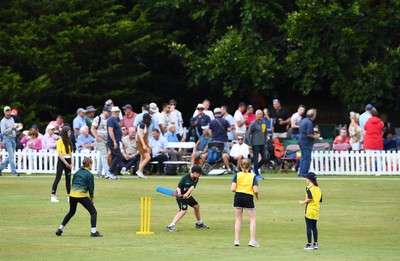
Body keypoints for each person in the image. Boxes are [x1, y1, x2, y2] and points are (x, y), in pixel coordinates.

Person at [55, 157, 103, 237]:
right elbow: (91, 189)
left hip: (72, 195)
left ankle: (60, 229)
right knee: (93, 212)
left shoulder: (77, 172)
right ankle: (93, 232)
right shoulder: (90, 175)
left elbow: (73, 182)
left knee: (71, 212)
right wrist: (92, 199)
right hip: (81, 196)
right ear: (89, 164)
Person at [166, 165, 209, 232]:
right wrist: (180, 193)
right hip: (180, 196)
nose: (200, 175)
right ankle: (170, 226)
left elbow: (192, 187)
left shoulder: (196, 178)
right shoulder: (185, 177)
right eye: (199, 174)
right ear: (195, 173)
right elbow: (179, 187)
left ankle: (199, 223)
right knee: (183, 211)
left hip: (187, 196)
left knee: (196, 207)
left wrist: (186, 194)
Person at [231, 158, 260, 247]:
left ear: (240, 166)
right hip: (248, 196)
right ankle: (252, 240)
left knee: (238, 219)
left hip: (238, 196)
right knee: (252, 219)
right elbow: (255, 190)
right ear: (250, 166)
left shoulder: (237, 175)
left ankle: (236, 240)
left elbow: (232, 189)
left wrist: (240, 188)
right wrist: (257, 196)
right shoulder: (253, 176)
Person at [298, 172, 322, 250]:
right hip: (316, 209)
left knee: (308, 227)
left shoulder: (308, 188)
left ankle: (309, 244)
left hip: (310, 209)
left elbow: (310, 198)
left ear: (309, 180)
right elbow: (320, 200)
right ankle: (315, 243)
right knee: (314, 227)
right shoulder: (318, 189)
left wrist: (302, 202)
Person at [51, 126, 74, 203]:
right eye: (69, 132)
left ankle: (69, 195)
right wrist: (66, 163)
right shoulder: (60, 141)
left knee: (68, 179)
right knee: (58, 177)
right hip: (62, 160)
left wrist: (71, 163)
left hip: (68, 159)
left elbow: (71, 153)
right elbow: (59, 153)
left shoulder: (69, 141)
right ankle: (53, 195)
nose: (70, 133)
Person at [245, 110, 268, 180]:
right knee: (255, 159)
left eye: (261, 114)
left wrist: (266, 140)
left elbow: (265, 132)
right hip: (255, 144)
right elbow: (248, 133)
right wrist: (249, 144)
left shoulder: (263, 122)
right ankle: (257, 174)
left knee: (265, 158)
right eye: (258, 114)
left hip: (263, 143)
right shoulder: (253, 123)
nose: (260, 115)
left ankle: (255, 169)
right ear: (256, 115)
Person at [298, 109, 319, 177]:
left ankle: (301, 172)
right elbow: (309, 134)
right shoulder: (309, 122)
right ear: (313, 115)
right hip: (306, 142)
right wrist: (316, 137)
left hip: (301, 141)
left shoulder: (303, 120)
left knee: (303, 157)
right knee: (307, 158)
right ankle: (304, 173)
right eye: (315, 114)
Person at [91, 106, 111, 178]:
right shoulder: (98, 118)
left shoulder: (109, 119)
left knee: (102, 156)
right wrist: (96, 137)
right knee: (104, 155)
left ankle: (99, 173)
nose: (109, 113)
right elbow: (92, 129)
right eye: (107, 111)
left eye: (109, 112)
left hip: (107, 140)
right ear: (103, 111)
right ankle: (107, 172)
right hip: (100, 139)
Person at [0, 106, 18, 176]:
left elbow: (13, 128)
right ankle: (13, 172)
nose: (8, 112)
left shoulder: (12, 119)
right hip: (7, 138)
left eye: (9, 111)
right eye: (6, 111)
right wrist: (11, 128)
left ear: (10, 111)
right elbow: (3, 132)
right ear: (4, 112)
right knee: (11, 156)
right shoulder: (3, 121)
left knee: (11, 156)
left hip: (13, 138)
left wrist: (15, 129)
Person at [106, 106, 123, 180]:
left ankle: (111, 173)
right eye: (118, 112)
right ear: (115, 112)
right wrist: (114, 141)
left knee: (114, 156)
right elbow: (110, 131)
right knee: (118, 155)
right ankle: (110, 171)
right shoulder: (111, 119)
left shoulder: (114, 119)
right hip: (112, 141)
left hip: (115, 141)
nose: (118, 113)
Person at [136, 113, 152, 179]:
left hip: (143, 143)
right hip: (140, 143)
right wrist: (144, 145)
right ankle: (139, 171)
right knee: (148, 157)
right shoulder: (142, 125)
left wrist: (148, 145)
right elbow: (140, 135)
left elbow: (145, 137)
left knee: (142, 158)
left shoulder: (145, 125)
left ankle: (140, 173)